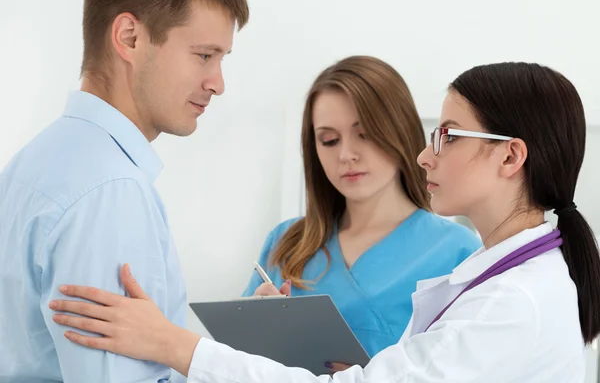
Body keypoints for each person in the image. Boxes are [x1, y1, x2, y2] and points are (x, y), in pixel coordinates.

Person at [50, 61, 600, 382]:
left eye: (448, 136)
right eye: (328, 140)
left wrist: (174, 346)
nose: (426, 156)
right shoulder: (506, 280)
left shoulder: (509, 302)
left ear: (510, 157)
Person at [0, 0, 249, 381]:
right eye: (204, 55)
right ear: (129, 38)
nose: (218, 83)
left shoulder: (30, 164)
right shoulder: (111, 192)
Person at [240, 55, 481, 365]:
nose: (346, 154)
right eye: (329, 140)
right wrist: (253, 331)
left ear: (400, 131)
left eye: (364, 134)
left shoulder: (461, 253)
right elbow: (237, 364)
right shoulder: (286, 242)